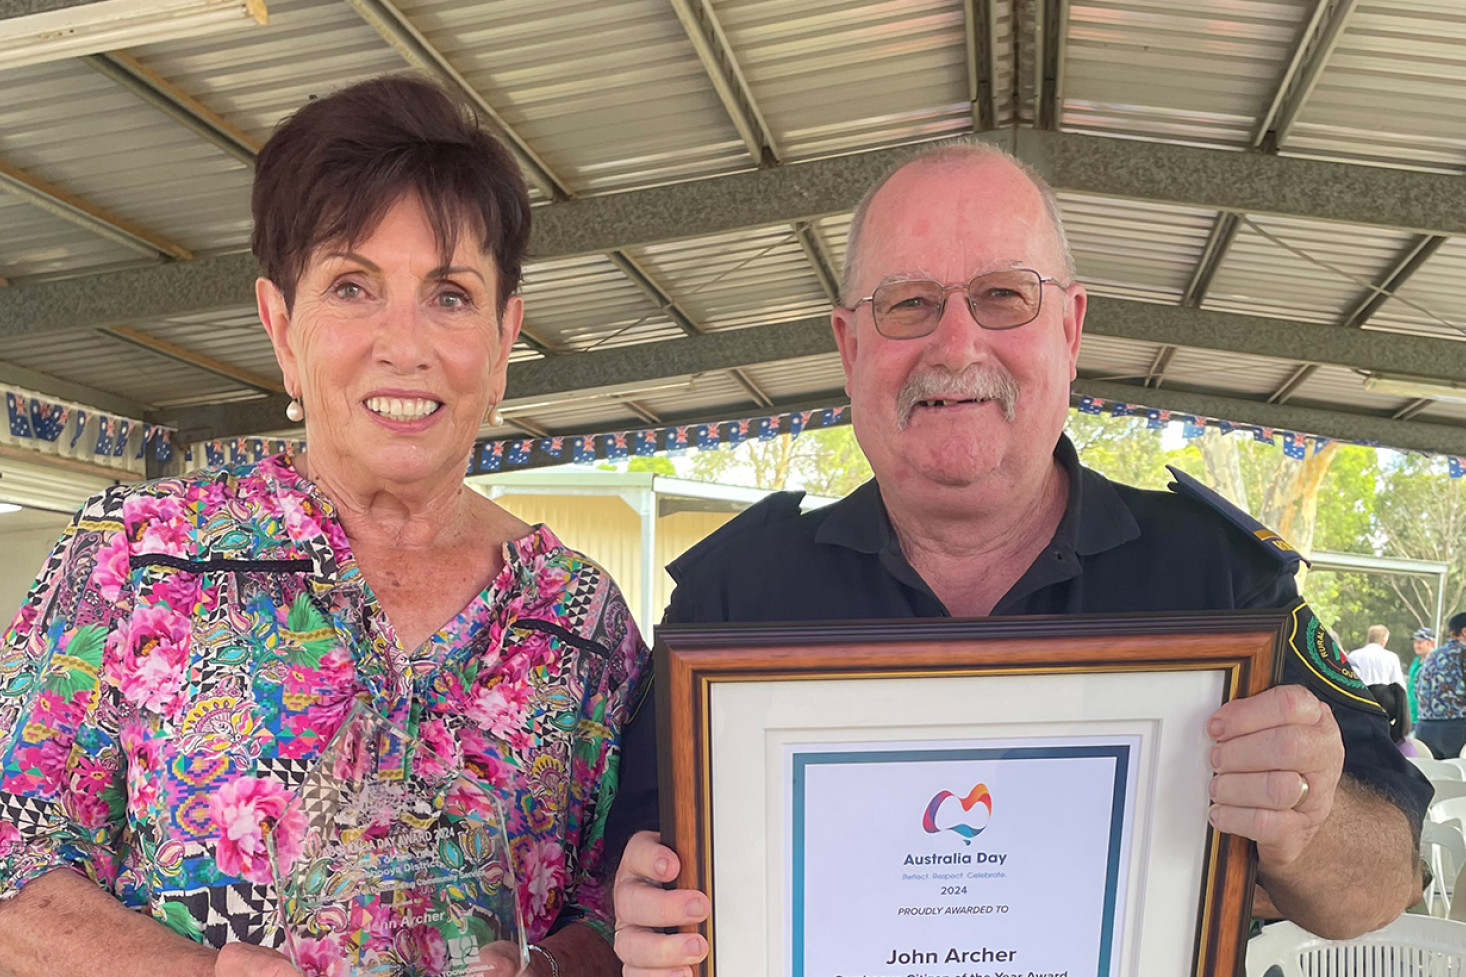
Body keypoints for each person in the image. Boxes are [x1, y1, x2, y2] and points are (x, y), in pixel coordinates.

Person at [605, 140, 1431, 971]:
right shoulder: (731, 597)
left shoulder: (1220, 579)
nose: (956, 345)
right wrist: (639, 917)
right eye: (909, 302)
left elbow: (1386, 880)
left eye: (1003, 295)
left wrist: (1310, 821)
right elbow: (625, 869)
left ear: (1070, 330)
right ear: (850, 346)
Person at [0, 77, 645, 977]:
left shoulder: (580, 623)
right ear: (281, 328)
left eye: (449, 295)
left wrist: (553, 966)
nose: (404, 342)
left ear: (503, 343)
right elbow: (13, 868)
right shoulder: (136, 558)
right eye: (352, 286)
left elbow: (622, 908)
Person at [1415, 613, 1466, 759]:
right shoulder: (1463, 654)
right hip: (1457, 729)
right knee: (1457, 779)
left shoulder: (1433, 656)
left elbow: (1417, 689)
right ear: (1464, 631)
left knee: (1434, 777)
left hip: (1424, 729)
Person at [1408, 626, 1436, 722]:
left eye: (1420, 642)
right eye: (1415, 642)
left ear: (1431, 643)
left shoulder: (1436, 662)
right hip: (1411, 715)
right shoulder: (1416, 661)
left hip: (1426, 717)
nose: (1416, 645)